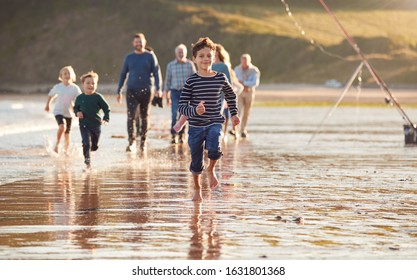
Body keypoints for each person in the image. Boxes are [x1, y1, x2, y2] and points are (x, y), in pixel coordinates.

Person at [178, 37, 240, 201]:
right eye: (201, 56)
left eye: (208, 56)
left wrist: (233, 114)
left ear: (214, 57)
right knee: (196, 161)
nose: (205, 59)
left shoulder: (220, 78)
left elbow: (231, 96)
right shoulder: (191, 81)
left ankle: (211, 169)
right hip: (196, 126)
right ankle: (197, 189)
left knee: (214, 146)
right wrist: (194, 110)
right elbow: (182, 106)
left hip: (215, 122)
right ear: (194, 59)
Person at [116, 33, 162, 151]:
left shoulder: (150, 56)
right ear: (133, 43)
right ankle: (131, 142)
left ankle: (143, 141)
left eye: (140, 41)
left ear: (145, 42)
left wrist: (159, 88)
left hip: (147, 90)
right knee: (131, 116)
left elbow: (157, 72)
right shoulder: (129, 57)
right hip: (131, 89)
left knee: (144, 116)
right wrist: (119, 90)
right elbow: (123, 74)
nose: (138, 43)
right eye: (136, 41)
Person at [74, 71, 110, 168]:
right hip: (84, 124)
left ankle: (93, 147)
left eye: (93, 83)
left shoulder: (98, 97)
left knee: (94, 146)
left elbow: (106, 108)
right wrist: (77, 112)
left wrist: (106, 118)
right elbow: (75, 107)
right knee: (86, 142)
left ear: (96, 85)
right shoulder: (80, 98)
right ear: (83, 84)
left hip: (96, 124)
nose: (91, 85)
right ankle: (87, 160)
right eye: (88, 83)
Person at [163, 44, 196, 144]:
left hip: (186, 93)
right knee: (174, 114)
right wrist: (166, 94)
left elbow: (194, 79)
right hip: (174, 92)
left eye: (182, 52)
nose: (181, 54)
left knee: (184, 114)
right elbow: (167, 80)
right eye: (179, 52)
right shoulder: (171, 65)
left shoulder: (190, 64)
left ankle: (182, 135)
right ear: (176, 53)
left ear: (185, 53)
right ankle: (173, 135)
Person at [44, 65, 81, 154]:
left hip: (69, 113)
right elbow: (50, 95)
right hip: (58, 111)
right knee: (62, 127)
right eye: (65, 74)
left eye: (69, 73)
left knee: (67, 134)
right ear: (61, 76)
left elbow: (80, 99)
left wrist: (79, 109)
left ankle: (66, 151)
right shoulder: (58, 87)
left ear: (72, 75)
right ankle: (57, 144)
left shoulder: (75, 88)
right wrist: (48, 105)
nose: (67, 75)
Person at [212, 44, 243, 141]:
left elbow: (229, 83)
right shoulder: (209, 64)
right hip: (210, 95)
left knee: (223, 116)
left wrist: (227, 98)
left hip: (221, 96)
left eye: (215, 50)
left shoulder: (224, 66)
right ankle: (214, 136)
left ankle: (220, 135)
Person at [233, 53, 260, 138]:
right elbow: (235, 80)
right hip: (240, 92)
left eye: (246, 62)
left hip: (249, 92)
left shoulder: (254, 70)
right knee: (238, 110)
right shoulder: (237, 69)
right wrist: (242, 86)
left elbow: (255, 82)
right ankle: (235, 130)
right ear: (241, 61)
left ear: (249, 61)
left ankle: (243, 130)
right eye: (243, 62)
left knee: (247, 112)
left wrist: (244, 84)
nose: (244, 63)